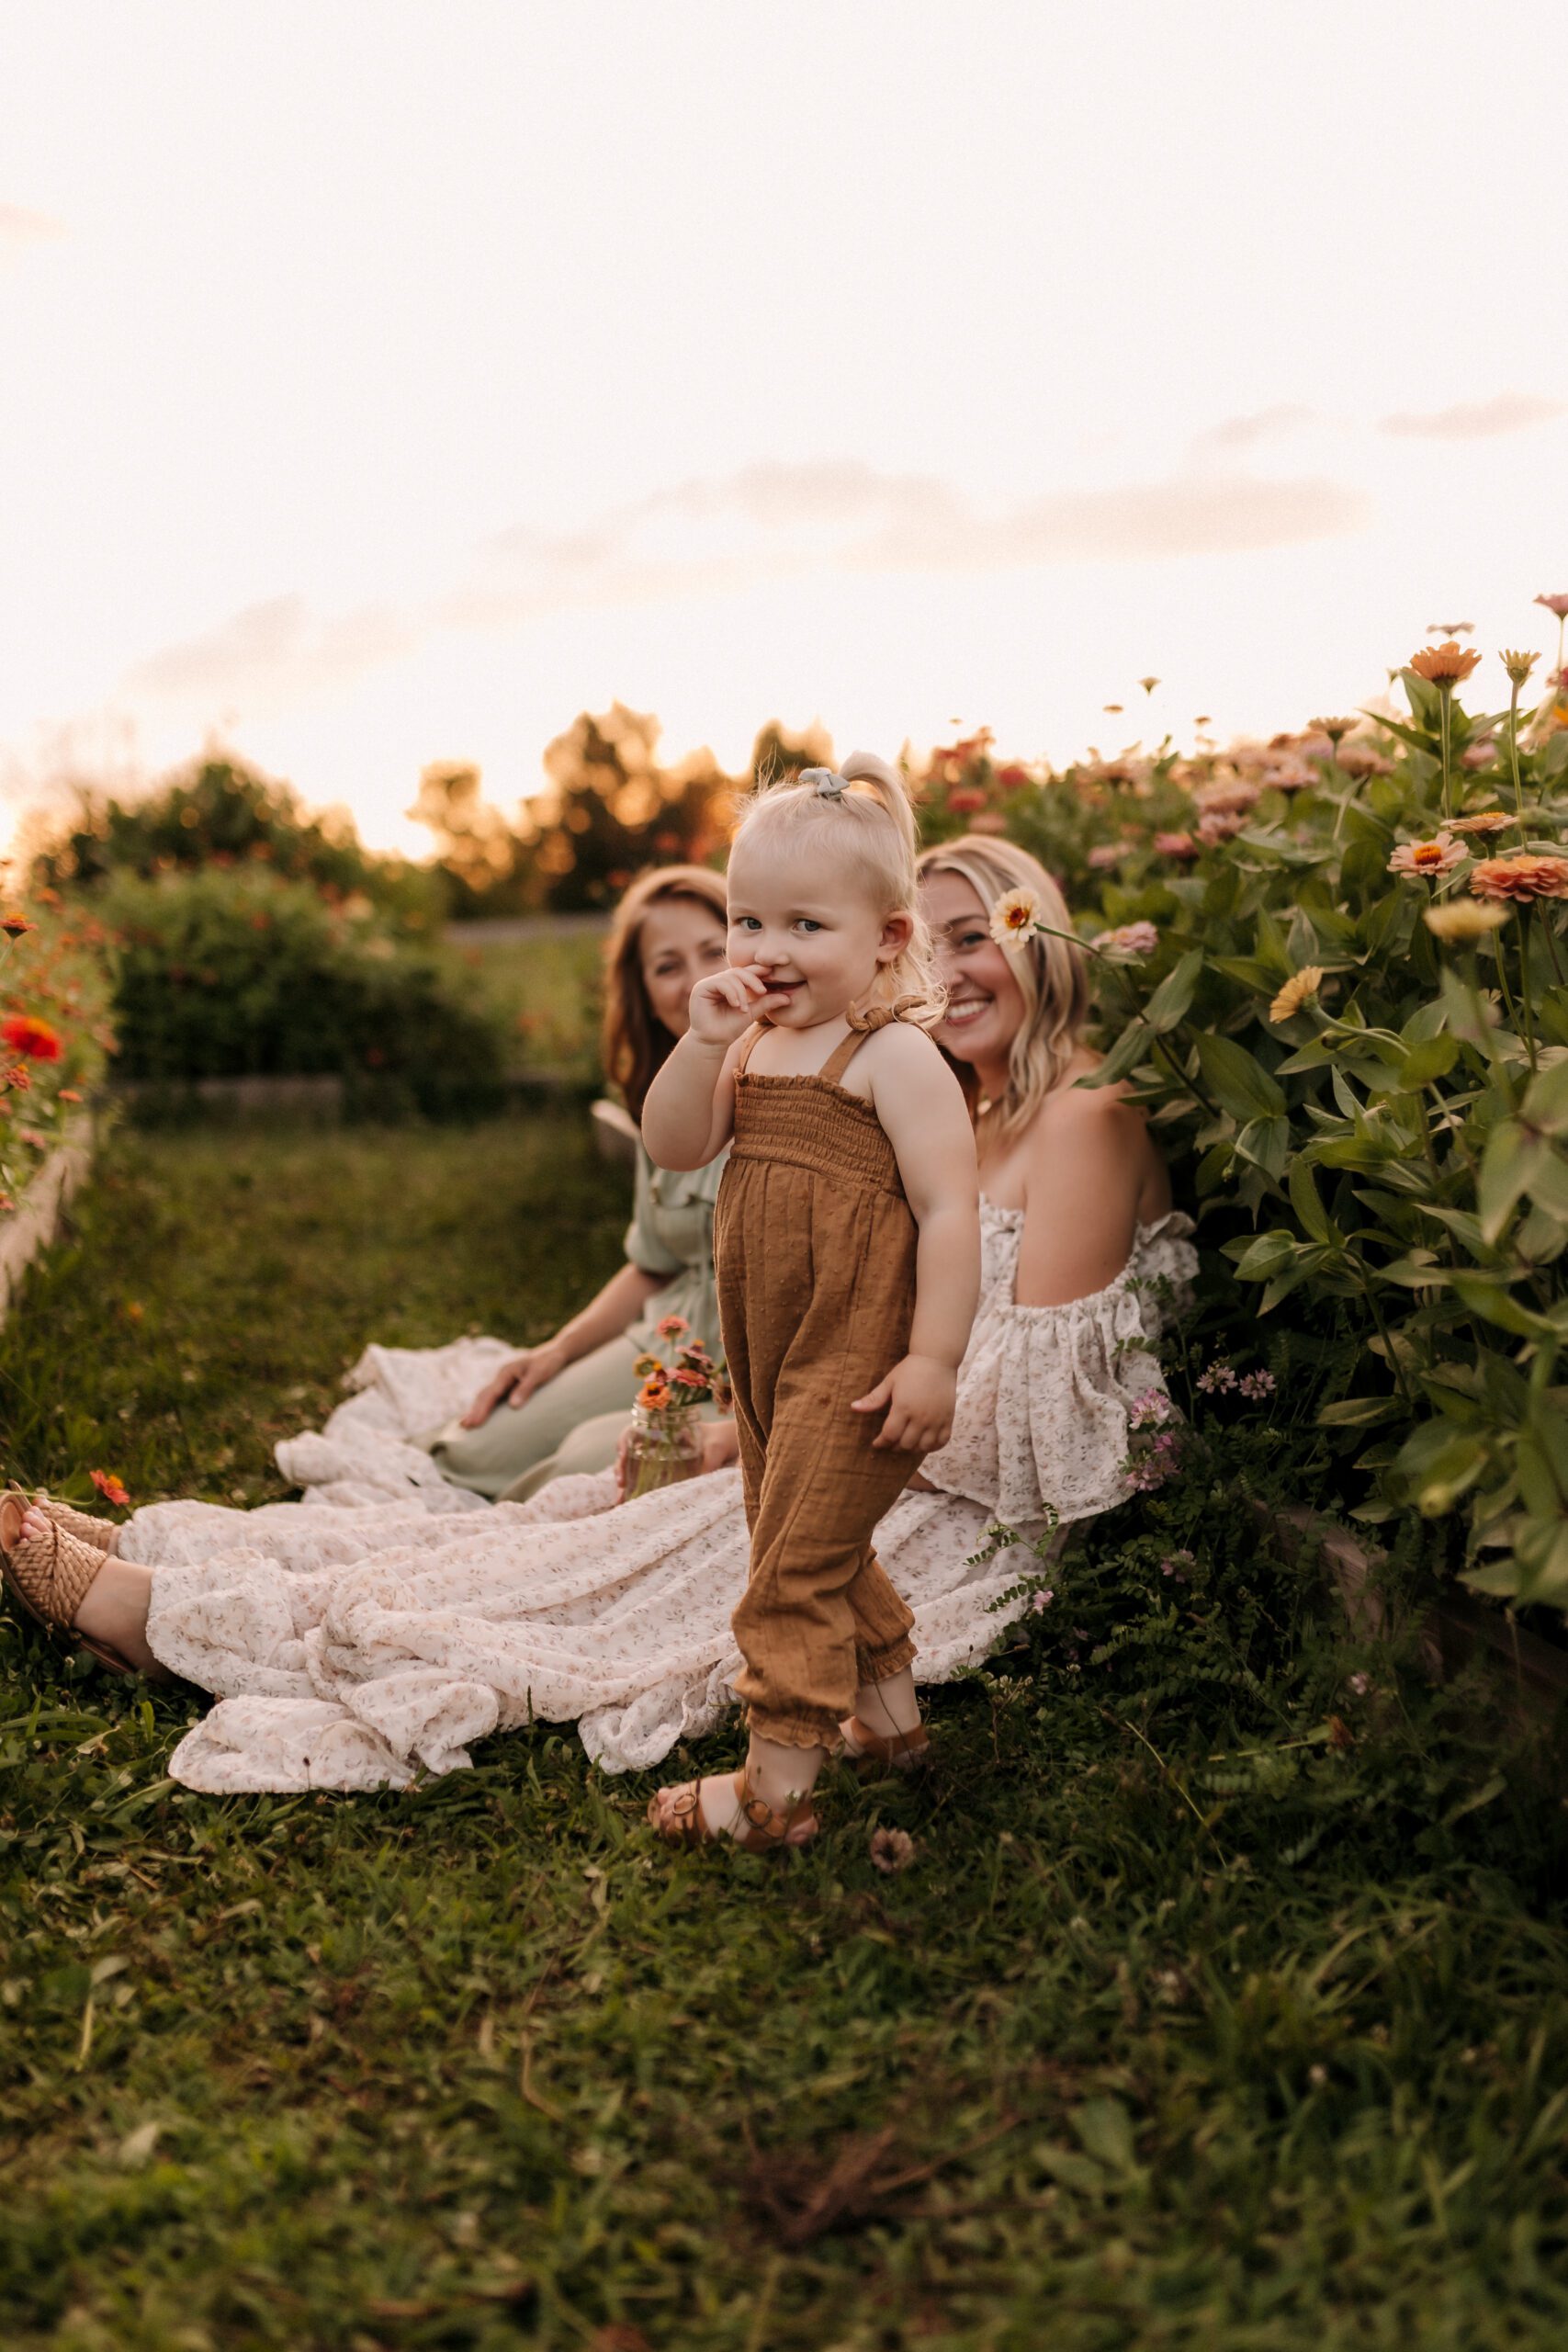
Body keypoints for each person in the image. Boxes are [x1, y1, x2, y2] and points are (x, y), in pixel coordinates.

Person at [0, 836, 1195, 1803]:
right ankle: (180, 1567)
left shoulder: (1082, 1120)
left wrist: (787, 1424)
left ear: (1041, 943)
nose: (949, 970)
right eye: (927, 947)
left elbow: (1032, 1422)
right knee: (537, 1544)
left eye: (975, 938)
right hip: (845, 1443)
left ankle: (163, 1616)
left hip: (949, 1509)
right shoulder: (934, 1102)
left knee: (584, 1593)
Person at [638, 754, 980, 1853]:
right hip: (774, 1352)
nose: (765, 952)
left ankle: (777, 1784)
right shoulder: (748, 1047)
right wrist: (698, 1041)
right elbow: (675, 1142)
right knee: (807, 1534)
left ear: (886, 936)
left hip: (860, 1352)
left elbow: (949, 1214)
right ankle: (890, 1724)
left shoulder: (894, 1057)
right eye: (748, 921)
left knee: (790, 1566)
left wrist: (932, 1361)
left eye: (804, 926)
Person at [421, 865, 730, 1501]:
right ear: (641, 992)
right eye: (667, 966)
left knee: (573, 1474)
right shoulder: (661, 1101)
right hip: (672, 1339)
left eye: (713, 950)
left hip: (749, 1370)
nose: (696, 981)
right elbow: (653, 1265)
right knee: (472, 1450)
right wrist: (555, 1352)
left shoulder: (800, 1079)